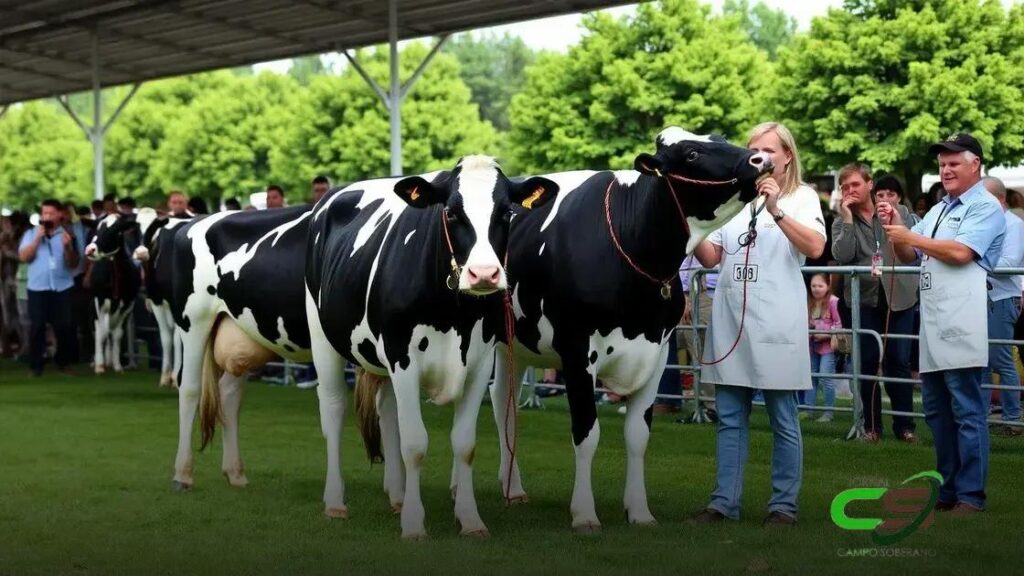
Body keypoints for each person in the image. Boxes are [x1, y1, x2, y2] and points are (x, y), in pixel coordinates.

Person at [690, 122, 826, 526]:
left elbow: (816, 247)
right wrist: (691, 221)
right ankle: (723, 503)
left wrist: (776, 209)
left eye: (769, 149)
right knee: (730, 418)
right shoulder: (735, 198)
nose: (760, 156)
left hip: (776, 324)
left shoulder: (802, 196)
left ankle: (783, 506)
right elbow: (712, 257)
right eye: (753, 149)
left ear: (787, 155)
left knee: (783, 418)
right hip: (732, 320)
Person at [885, 133, 1005, 514]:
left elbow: (961, 252)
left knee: (967, 409)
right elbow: (908, 254)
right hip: (935, 319)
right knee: (936, 410)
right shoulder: (938, 210)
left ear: (975, 165)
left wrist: (910, 234)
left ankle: (971, 494)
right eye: (942, 164)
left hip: (965, 316)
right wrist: (897, 229)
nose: (946, 169)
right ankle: (949, 487)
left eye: (954, 163)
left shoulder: (985, 206)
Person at [831, 167, 920, 443]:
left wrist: (893, 218)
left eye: (855, 184)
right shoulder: (840, 221)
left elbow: (913, 246)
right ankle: (871, 427)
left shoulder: (899, 211)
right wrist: (847, 219)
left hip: (900, 296)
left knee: (898, 361)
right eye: (845, 187)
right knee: (867, 362)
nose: (850, 190)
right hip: (864, 299)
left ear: (870, 184)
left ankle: (905, 426)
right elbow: (842, 256)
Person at [18, 199, 86, 376]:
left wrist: (68, 247)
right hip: (37, 287)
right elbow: (24, 257)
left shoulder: (68, 234)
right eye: (44, 213)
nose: (46, 217)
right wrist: (37, 239)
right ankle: (36, 366)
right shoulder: (31, 233)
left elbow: (73, 263)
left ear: (59, 215)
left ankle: (63, 363)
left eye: (50, 213)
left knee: (63, 326)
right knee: (37, 326)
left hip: (62, 287)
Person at [980, 177, 1023, 436]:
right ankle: (984, 415)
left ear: (1001, 199)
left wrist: (974, 259)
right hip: (984, 298)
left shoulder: (1014, 225)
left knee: (1002, 360)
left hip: (1002, 299)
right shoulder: (989, 223)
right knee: (982, 361)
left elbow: (1009, 264)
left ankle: (1013, 418)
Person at [806, 273, 841, 422]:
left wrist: (826, 334)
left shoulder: (833, 302)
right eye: (813, 286)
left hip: (828, 347)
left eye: (820, 286)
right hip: (812, 345)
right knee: (811, 377)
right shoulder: (809, 301)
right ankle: (808, 410)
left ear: (827, 286)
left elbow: (839, 324)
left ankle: (828, 412)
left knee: (826, 377)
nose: (816, 289)